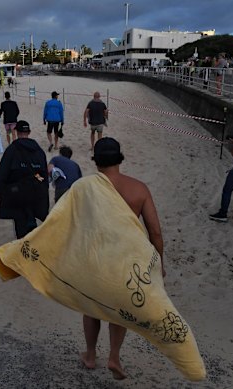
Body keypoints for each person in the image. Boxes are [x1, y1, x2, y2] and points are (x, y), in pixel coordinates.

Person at [80, 137, 164, 380]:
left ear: (96, 162)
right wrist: (160, 264)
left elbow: (69, 223)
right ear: (120, 159)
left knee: (92, 309)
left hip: (95, 259)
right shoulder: (139, 189)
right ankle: (114, 356)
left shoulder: (86, 188)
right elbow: (155, 232)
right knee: (121, 310)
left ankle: (90, 355)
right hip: (126, 261)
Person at [0, 120, 49, 238]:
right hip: (35, 190)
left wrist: (0, 189)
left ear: (17, 132)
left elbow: (3, 170)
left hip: (17, 192)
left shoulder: (12, 150)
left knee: (20, 225)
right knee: (30, 219)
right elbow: (44, 173)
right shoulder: (38, 150)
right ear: (28, 132)